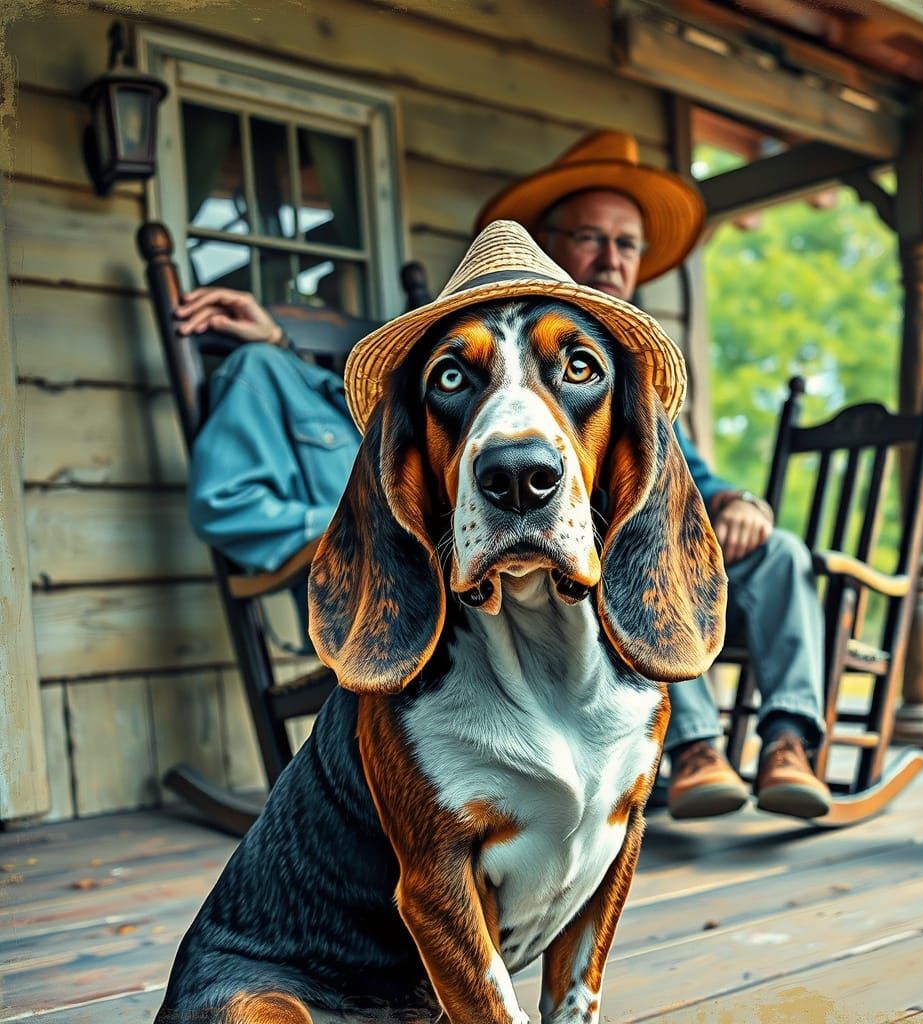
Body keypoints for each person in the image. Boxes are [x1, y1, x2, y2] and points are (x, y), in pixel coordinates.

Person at [179, 131, 830, 821]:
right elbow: (233, 507)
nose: (611, 260)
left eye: (628, 244)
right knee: (602, 545)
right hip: (430, 595)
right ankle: (696, 748)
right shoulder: (354, 396)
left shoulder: (601, 389)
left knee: (768, 550)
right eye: (590, 237)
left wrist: (736, 499)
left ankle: (788, 742)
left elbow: (680, 472)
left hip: (548, 563)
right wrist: (382, 536)